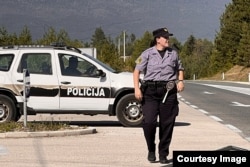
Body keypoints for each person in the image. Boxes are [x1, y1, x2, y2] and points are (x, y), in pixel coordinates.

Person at [133, 27, 184, 164]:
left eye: (168, 37)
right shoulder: (146, 54)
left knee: (167, 124)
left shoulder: (173, 53)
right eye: (165, 37)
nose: (168, 39)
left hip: (168, 92)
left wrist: (180, 81)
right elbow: (136, 71)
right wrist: (137, 89)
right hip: (150, 92)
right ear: (157, 39)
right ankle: (151, 148)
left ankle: (163, 153)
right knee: (149, 122)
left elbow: (180, 68)